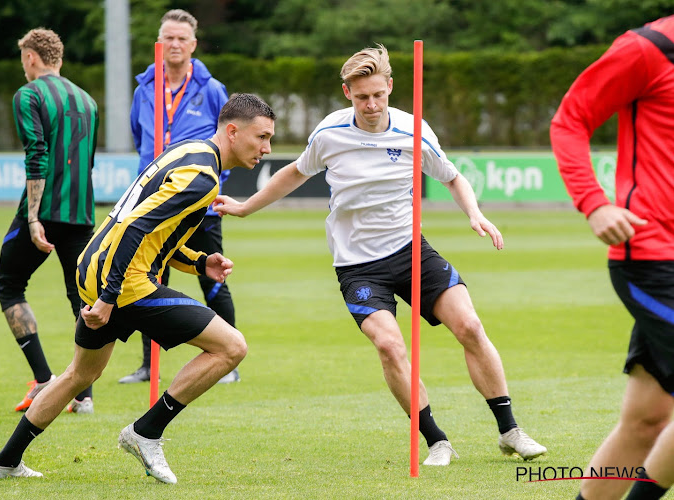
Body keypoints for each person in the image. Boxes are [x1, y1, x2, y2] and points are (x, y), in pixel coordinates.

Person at [214, 45, 546, 466]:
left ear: (389, 87)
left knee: (471, 326)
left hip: (411, 250)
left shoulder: (414, 131)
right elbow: (293, 173)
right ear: (346, 93)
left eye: (377, 94)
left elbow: (454, 177)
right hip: (357, 265)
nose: (370, 105)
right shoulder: (329, 134)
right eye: (360, 97)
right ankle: (436, 440)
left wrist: (475, 213)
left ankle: (510, 430)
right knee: (390, 346)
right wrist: (245, 206)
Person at [0, 93, 276, 483]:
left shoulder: (188, 151)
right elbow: (134, 228)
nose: (267, 148)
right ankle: (146, 432)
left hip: (95, 267)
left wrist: (199, 262)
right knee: (231, 346)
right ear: (234, 131)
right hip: (121, 282)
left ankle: (3, 463)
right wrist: (108, 297)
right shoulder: (202, 177)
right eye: (262, 137)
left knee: (78, 376)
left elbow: (155, 234)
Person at [551, 15, 674, 500]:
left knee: (645, 421)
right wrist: (595, 202)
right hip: (653, 257)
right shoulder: (650, 48)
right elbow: (571, 119)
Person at [121, 8, 239, 385]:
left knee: (213, 276)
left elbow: (230, 142)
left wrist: (210, 185)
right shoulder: (144, 88)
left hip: (199, 206)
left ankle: (229, 361)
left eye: (181, 39)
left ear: (193, 45)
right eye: (167, 38)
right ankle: (147, 365)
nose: (173, 44)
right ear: (159, 43)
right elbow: (141, 141)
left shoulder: (211, 89)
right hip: (153, 205)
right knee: (145, 280)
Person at [0, 28, 97, 415]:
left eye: (23, 57)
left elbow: (36, 155)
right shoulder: (87, 100)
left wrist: (34, 217)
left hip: (44, 211)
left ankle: (43, 381)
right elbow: (87, 163)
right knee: (81, 300)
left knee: (9, 286)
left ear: (31, 58)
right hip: (82, 213)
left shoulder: (29, 95)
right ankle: (84, 396)